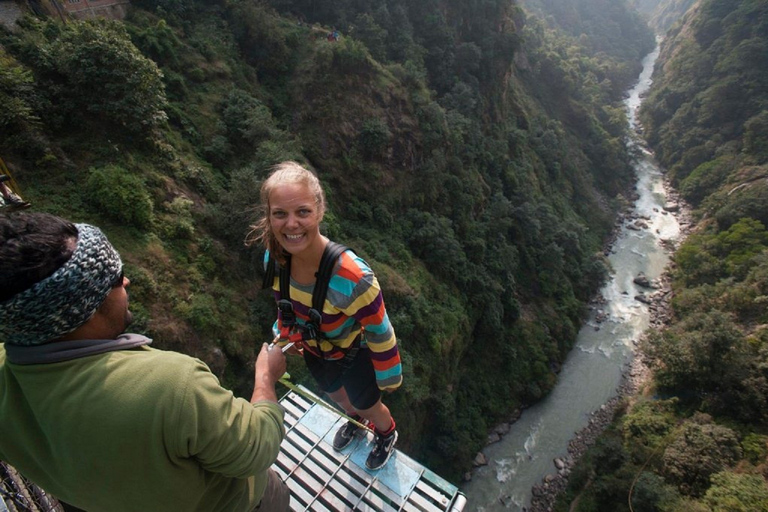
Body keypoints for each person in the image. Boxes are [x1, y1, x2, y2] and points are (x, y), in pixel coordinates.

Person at [0, 212, 290, 512]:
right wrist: (266, 378)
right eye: (115, 277)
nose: (126, 280)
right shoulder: (170, 386)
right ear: (83, 309)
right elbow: (256, 449)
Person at [247, 161, 402, 471]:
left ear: (319, 210)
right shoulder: (274, 259)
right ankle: (355, 420)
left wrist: (389, 376)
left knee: (367, 403)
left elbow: (379, 330)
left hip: (352, 352)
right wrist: (283, 332)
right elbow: (284, 302)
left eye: (302, 212)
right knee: (338, 397)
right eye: (280, 214)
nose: (291, 224)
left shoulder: (351, 277)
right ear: (269, 217)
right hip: (314, 349)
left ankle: (386, 432)